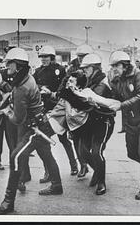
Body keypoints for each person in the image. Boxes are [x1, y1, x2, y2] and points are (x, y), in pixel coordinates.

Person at [0, 48, 63, 214]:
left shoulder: (24, 86)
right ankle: (57, 185)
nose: (7, 66)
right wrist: (8, 97)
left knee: (15, 155)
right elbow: (15, 90)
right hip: (41, 123)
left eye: (9, 63)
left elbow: (18, 119)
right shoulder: (25, 78)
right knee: (46, 153)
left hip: (35, 128)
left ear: (18, 65)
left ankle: (8, 202)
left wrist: (6, 110)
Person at [108, 51, 140, 200]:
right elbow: (115, 97)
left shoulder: (139, 76)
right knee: (131, 153)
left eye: (117, 65)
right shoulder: (118, 80)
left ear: (125, 64)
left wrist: (121, 105)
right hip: (131, 121)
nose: (114, 68)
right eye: (113, 66)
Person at [33, 45, 78, 182]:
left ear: (52, 57)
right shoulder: (38, 71)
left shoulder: (60, 70)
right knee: (44, 141)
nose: (44, 59)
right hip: (44, 109)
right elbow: (34, 84)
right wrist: (41, 88)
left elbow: (64, 87)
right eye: (42, 57)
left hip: (58, 109)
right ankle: (48, 171)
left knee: (64, 139)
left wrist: (52, 93)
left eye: (46, 57)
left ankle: (74, 164)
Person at [78, 53, 115, 195]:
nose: (84, 71)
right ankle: (97, 172)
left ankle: (101, 182)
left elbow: (91, 99)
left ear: (94, 68)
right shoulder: (90, 81)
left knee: (96, 151)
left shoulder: (102, 84)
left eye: (86, 68)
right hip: (90, 121)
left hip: (103, 121)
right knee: (82, 151)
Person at [61, 43, 94, 178]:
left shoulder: (93, 67)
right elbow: (64, 84)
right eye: (79, 56)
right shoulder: (72, 67)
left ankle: (93, 165)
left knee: (88, 142)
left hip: (88, 107)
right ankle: (83, 164)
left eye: (84, 56)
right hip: (74, 106)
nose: (81, 59)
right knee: (75, 139)